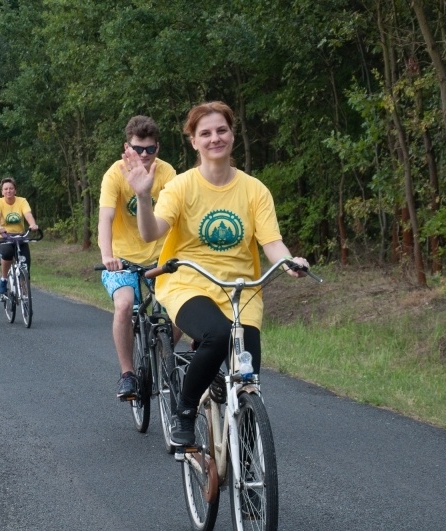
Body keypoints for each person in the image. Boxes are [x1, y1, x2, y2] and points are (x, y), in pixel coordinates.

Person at [125, 101, 310, 446]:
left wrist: (288, 262)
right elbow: (151, 233)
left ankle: (248, 468)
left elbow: (272, 242)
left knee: (248, 380)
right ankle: (184, 410)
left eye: (221, 130)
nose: (215, 138)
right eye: (205, 133)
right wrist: (144, 196)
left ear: (232, 135)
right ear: (193, 141)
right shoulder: (181, 187)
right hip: (188, 284)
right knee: (218, 333)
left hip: (240, 290)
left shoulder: (254, 190)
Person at [98, 115, 178, 400]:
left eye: (150, 149)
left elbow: (178, 216)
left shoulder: (167, 173)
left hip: (161, 257)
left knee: (180, 309)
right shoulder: (115, 174)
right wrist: (107, 255)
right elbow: (105, 218)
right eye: (138, 148)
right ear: (127, 148)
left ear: (158, 148)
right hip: (123, 258)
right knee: (124, 306)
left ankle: (163, 351)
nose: (144, 155)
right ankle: (128, 374)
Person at [0, 177, 39, 294]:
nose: (8, 191)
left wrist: (32, 224)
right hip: (3, 236)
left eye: (11, 188)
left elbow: (28, 214)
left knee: (25, 266)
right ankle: (3, 280)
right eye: (6, 189)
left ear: (15, 190)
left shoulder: (22, 201)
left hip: (19, 237)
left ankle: (25, 298)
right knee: (8, 252)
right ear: (2, 191)